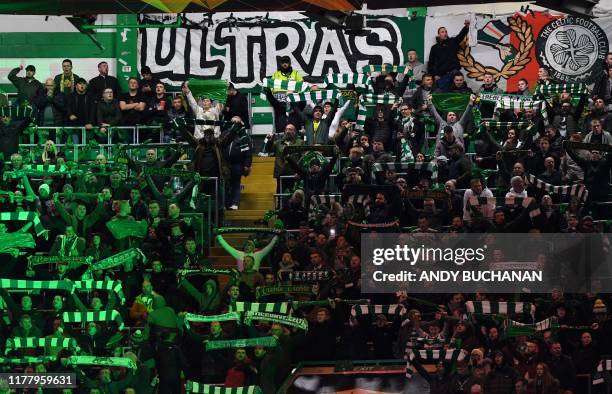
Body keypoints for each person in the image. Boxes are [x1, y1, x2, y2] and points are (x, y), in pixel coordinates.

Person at [428, 20, 470, 92]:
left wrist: (466, 27)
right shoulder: (434, 47)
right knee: (440, 90)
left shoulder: (453, 42)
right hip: (442, 74)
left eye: (446, 31)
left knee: (441, 87)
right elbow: (431, 63)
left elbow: (461, 36)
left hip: (454, 72)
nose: (445, 33)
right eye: (442, 32)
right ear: (438, 34)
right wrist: (434, 75)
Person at [267, 55, 303, 133]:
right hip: (279, 102)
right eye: (283, 62)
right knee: (279, 120)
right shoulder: (276, 74)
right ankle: (279, 135)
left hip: (292, 101)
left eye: (286, 62)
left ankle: (295, 134)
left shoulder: (296, 73)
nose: (285, 64)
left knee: (294, 119)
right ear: (281, 64)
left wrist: (293, 91)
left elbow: (301, 85)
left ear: (290, 63)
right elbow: (271, 87)